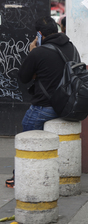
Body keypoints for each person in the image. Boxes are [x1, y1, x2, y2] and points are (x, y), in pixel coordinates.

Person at [5, 16, 81, 188]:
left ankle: (20, 177)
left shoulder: (39, 51)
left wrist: (32, 52)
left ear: (39, 34)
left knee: (27, 137)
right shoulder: (71, 47)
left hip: (45, 107)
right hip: (69, 105)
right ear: (57, 29)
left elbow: (24, 77)